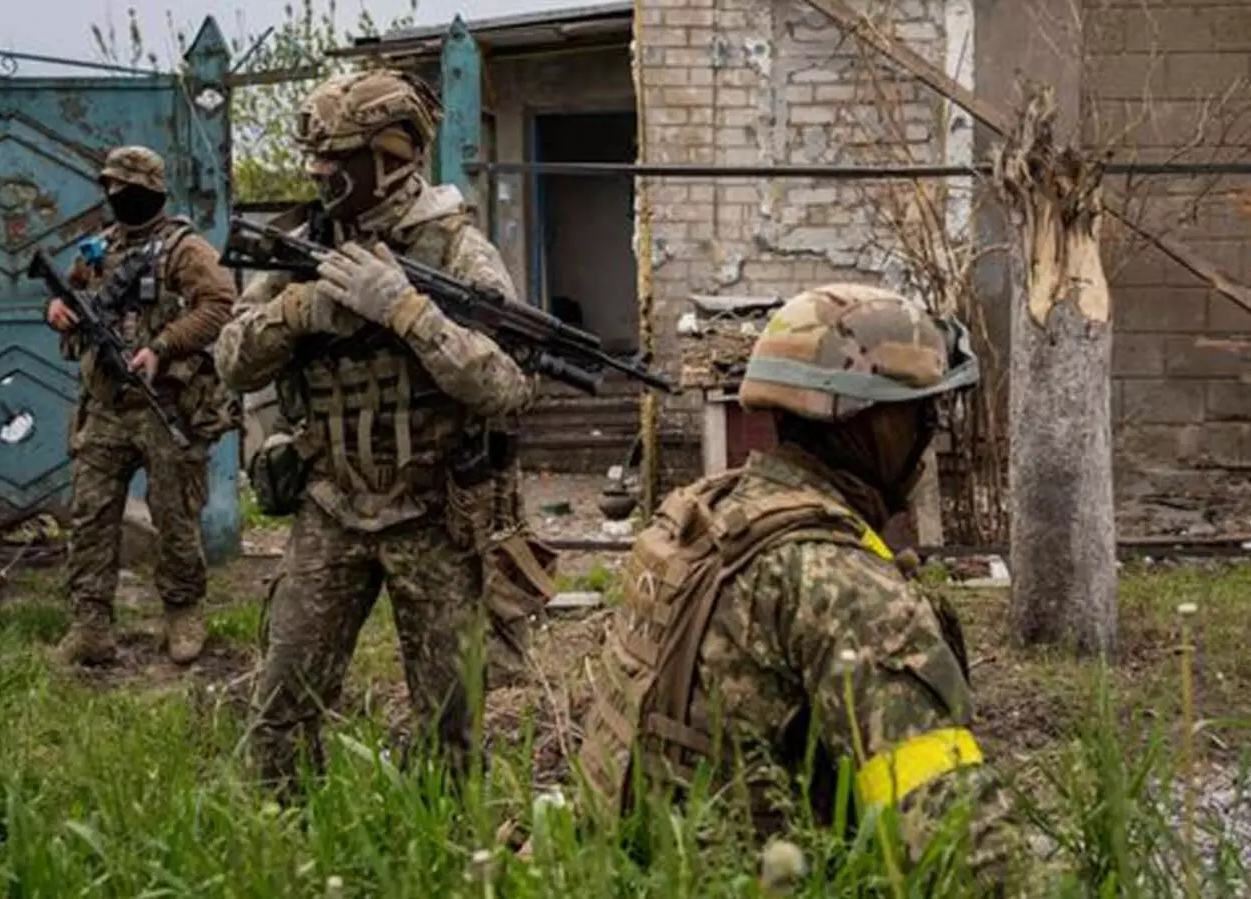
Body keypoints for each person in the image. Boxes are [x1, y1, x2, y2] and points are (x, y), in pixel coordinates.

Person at [577, 284, 1014, 886]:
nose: (926, 438)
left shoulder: (704, 518)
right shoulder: (838, 582)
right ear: (878, 422)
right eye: (921, 415)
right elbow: (960, 841)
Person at [215, 68, 541, 793]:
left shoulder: (457, 252)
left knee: (451, 723)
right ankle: (282, 844)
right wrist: (299, 313)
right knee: (282, 704)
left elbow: (509, 386)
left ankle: (450, 853)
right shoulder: (305, 248)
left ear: (393, 157)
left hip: (432, 513)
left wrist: (406, 312)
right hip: (331, 504)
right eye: (316, 159)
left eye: (338, 158)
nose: (320, 172)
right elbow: (231, 361)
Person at [46, 146, 239, 667]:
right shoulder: (97, 249)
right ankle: (91, 625)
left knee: (175, 517)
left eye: (129, 187)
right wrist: (58, 311)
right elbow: (69, 296)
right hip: (105, 405)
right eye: (112, 186)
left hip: (166, 407)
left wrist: (165, 345)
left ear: (154, 191)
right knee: (91, 515)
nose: (118, 196)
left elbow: (221, 305)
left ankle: (182, 612)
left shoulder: (185, 249)